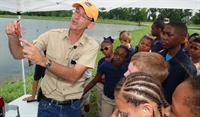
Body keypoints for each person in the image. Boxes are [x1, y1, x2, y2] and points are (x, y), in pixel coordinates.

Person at [5, 1, 99, 117]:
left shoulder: (91, 45)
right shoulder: (51, 35)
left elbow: (74, 75)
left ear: (90, 25)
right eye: (76, 11)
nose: (76, 16)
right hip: (47, 105)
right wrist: (12, 37)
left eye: (83, 16)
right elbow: (18, 54)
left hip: (72, 107)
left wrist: (43, 60)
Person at [83, 45, 129, 117]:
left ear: (126, 58)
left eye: (122, 56)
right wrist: (82, 93)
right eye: (116, 54)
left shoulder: (127, 68)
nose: (118, 57)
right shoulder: (105, 65)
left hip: (121, 100)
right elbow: (94, 81)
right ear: (113, 53)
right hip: (107, 99)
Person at [160, 22, 197, 104]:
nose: (164, 37)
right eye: (163, 33)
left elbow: (187, 98)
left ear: (183, 39)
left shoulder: (187, 67)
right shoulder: (158, 56)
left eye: (169, 35)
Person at [96, 36, 114, 117]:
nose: (104, 51)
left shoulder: (117, 60)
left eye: (106, 48)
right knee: (100, 105)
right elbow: (99, 76)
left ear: (112, 47)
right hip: (100, 86)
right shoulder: (101, 61)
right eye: (102, 49)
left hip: (111, 89)